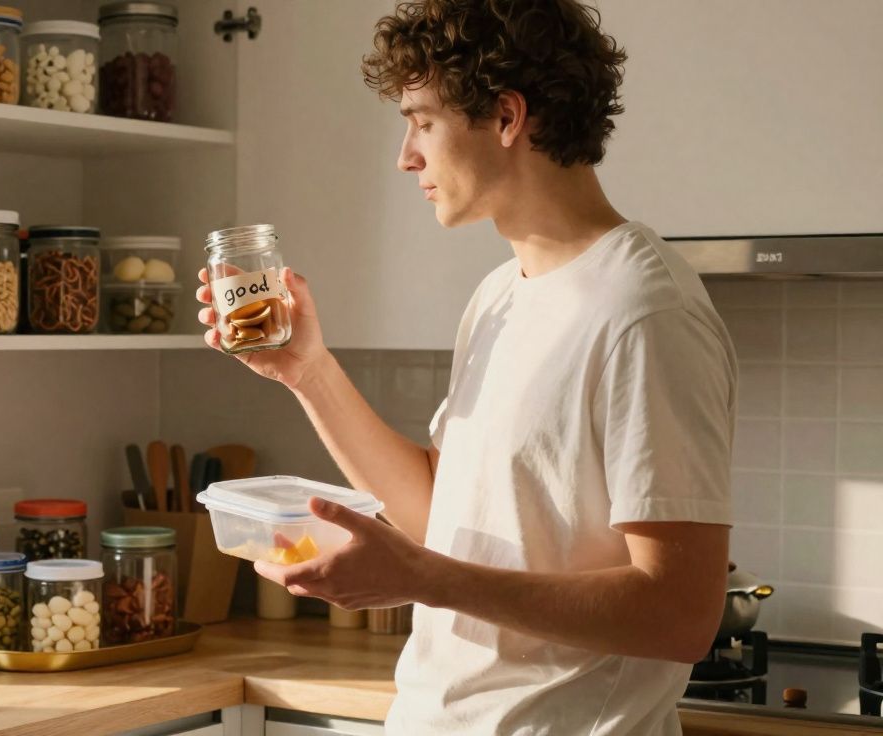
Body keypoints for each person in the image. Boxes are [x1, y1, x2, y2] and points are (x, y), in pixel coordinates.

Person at [195, 1, 738, 733]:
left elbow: (678, 614)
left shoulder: (645, 312)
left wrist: (422, 579)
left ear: (508, 117)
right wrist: (308, 370)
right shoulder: (499, 296)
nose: (405, 155)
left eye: (422, 120)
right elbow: (438, 516)